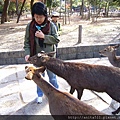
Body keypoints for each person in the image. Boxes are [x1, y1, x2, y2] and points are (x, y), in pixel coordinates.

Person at [24, 2, 60, 104]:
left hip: (49, 57)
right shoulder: (30, 26)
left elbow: (56, 40)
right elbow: (26, 42)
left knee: (52, 77)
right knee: (38, 77)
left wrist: (44, 37)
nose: (38, 19)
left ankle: (56, 93)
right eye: (36, 17)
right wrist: (27, 53)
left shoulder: (51, 25)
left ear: (45, 15)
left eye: (40, 17)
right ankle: (40, 95)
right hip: (37, 57)